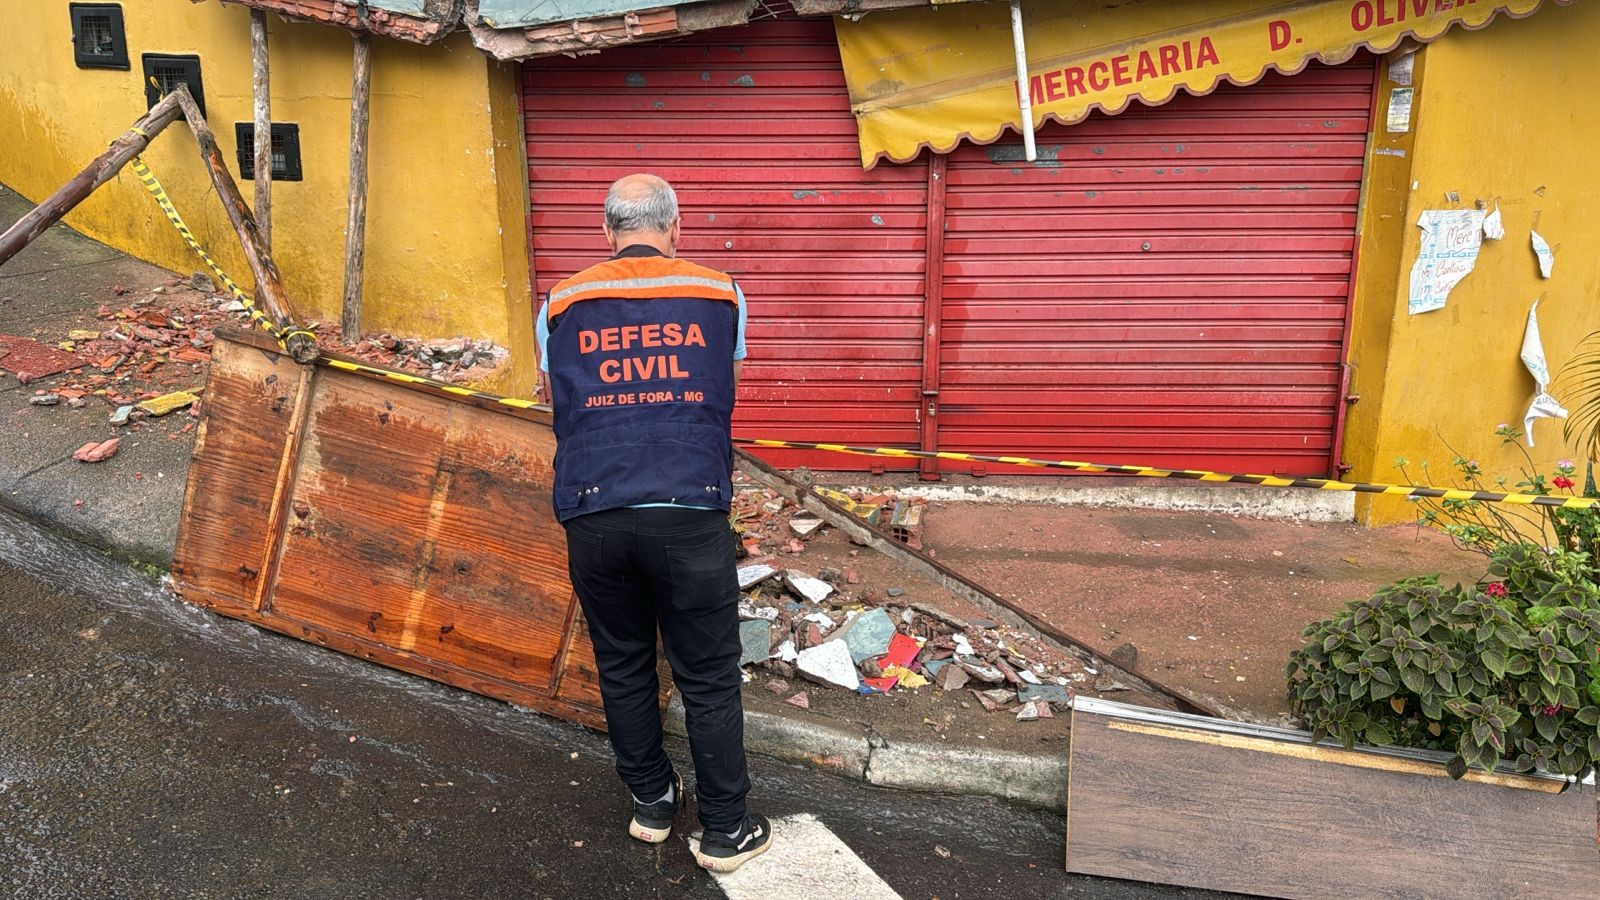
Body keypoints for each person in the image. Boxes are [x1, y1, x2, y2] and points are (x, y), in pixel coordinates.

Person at [536, 174, 773, 873]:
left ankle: (651, 803)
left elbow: (563, 392)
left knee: (623, 662)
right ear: (676, 228)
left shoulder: (561, 301)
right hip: (688, 507)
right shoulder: (719, 292)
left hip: (594, 511)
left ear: (606, 232)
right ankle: (726, 828)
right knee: (706, 675)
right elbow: (717, 378)